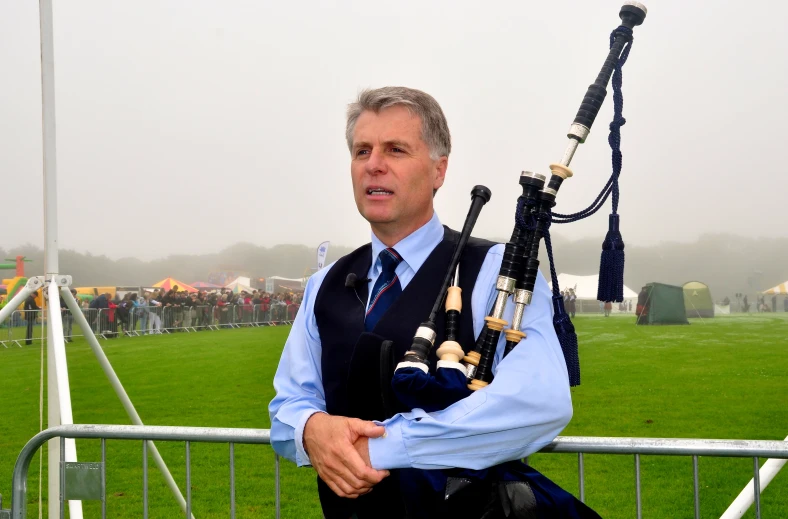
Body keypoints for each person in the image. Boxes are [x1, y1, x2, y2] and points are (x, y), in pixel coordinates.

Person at [269, 87, 572, 518]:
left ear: (439, 170)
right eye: (361, 151)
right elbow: (287, 409)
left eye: (395, 150)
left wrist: (387, 446)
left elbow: (538, 401)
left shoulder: (493, 271)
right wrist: (312, 429)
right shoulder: (325, 284)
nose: (374, 164)